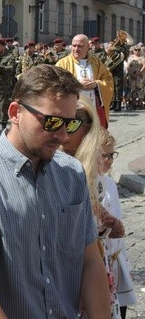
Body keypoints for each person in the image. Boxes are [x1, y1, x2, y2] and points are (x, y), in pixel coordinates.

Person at [0, 64, 111, 318]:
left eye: (69, 124)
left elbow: (90, 261)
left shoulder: (72, 173)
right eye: (52, 121)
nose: (62, 135)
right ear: (15, 112)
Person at [60, 97, 126, 318]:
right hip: (62, 265)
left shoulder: (87, 169)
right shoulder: (50, 163)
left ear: (88, 129)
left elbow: (92, 206)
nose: (62, 130)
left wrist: (107, 219)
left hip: (89, 262)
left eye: (72, 123)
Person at [98, 129, 137, 319]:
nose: (109, 160)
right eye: (104, 155)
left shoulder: (110, 183)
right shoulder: (86, 182)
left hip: (115, 256)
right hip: (98, 258)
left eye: (112, 155)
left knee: (120, 308)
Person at [55, 34, 113, 128]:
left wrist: (96, 84)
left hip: (93, 107)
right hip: (73, 108)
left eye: (80, 46)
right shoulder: (62, 64)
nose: (76, 49)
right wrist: (76, 84)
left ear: (87, 47)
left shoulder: (96, 62)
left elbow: (108, 79)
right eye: (74, 46)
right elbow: (56, 84)